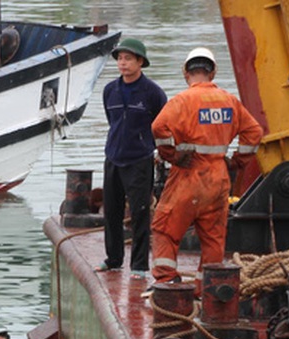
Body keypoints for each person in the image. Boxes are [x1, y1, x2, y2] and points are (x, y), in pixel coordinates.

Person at [150, 47, 263, 287]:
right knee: (213, 239)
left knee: (165, 229)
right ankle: (208, 291)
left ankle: (167, 283)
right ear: (212, 73)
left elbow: (158, 128)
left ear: (186, 72)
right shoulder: (230, 101)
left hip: (188, 176)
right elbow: (254, 133)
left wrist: (172, 155)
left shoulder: (182, 101)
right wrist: (236, 161)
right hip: (218, 178)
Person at [98, 38, 167, 280]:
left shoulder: (153, 93)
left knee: (139, 213)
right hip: (113, 158)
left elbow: (161, 124)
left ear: (140, 62)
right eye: (120, 58)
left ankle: (139, 266)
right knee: (112, 212)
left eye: (128, 58)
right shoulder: (110, 91)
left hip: (139, 160)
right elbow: (112, 120)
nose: (123, 63)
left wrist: (151, 149)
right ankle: (113, 259)